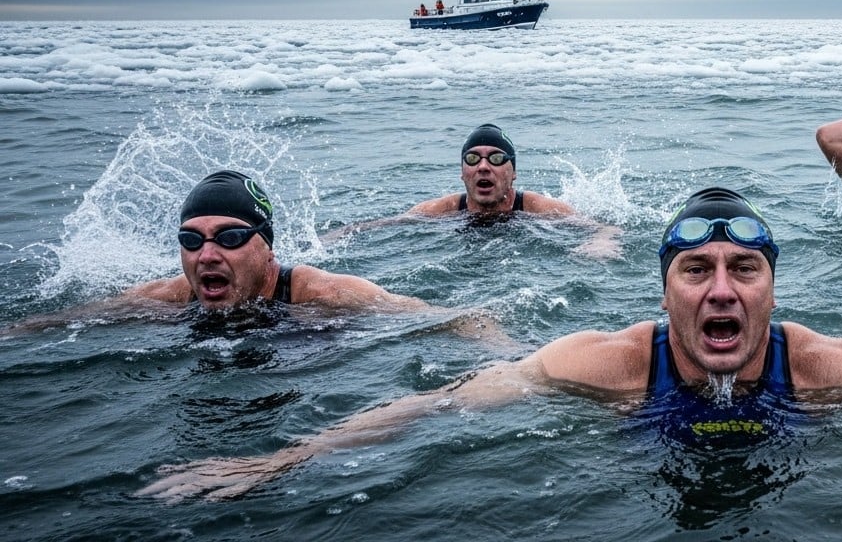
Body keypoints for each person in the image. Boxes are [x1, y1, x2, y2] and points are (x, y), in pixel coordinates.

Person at [140, 187, 842, 530]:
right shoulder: (604, 361)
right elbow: (435, 406)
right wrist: (272, 466)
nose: (723, 289)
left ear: (775, 290)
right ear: (665, 289)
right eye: (698, 272)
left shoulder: (829, 366)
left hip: (798, 471)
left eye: (745, 270)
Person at [4, 170, 505, 341]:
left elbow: (452, 319)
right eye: (192, 240)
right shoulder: (166, 297)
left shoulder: (321, 292)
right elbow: (66, 321)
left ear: (268, 249)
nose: (207, 255)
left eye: (228, 237)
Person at [322, 123, 621, 258]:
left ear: (513, 173)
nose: (483, 166)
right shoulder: (441, 211)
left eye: (496, 158)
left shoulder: (538, 209)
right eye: (472, 158)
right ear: (462, 173)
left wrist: (601, 243)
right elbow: (386, 225)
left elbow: (603, 229)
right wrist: (338, 235)